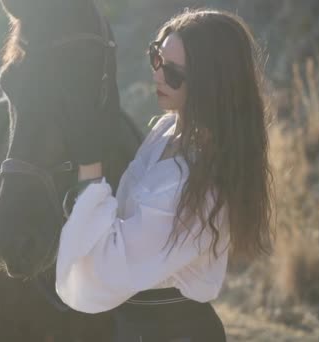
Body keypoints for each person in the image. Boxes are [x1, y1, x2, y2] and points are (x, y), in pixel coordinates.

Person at [55, 8, 273, 342]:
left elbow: (108, 266)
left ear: (209, 83)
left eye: (172, 73)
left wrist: (90, 169)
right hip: (139, 326)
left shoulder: (198, 179)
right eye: (156, 57)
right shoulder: (167, 130)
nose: (157, 75)